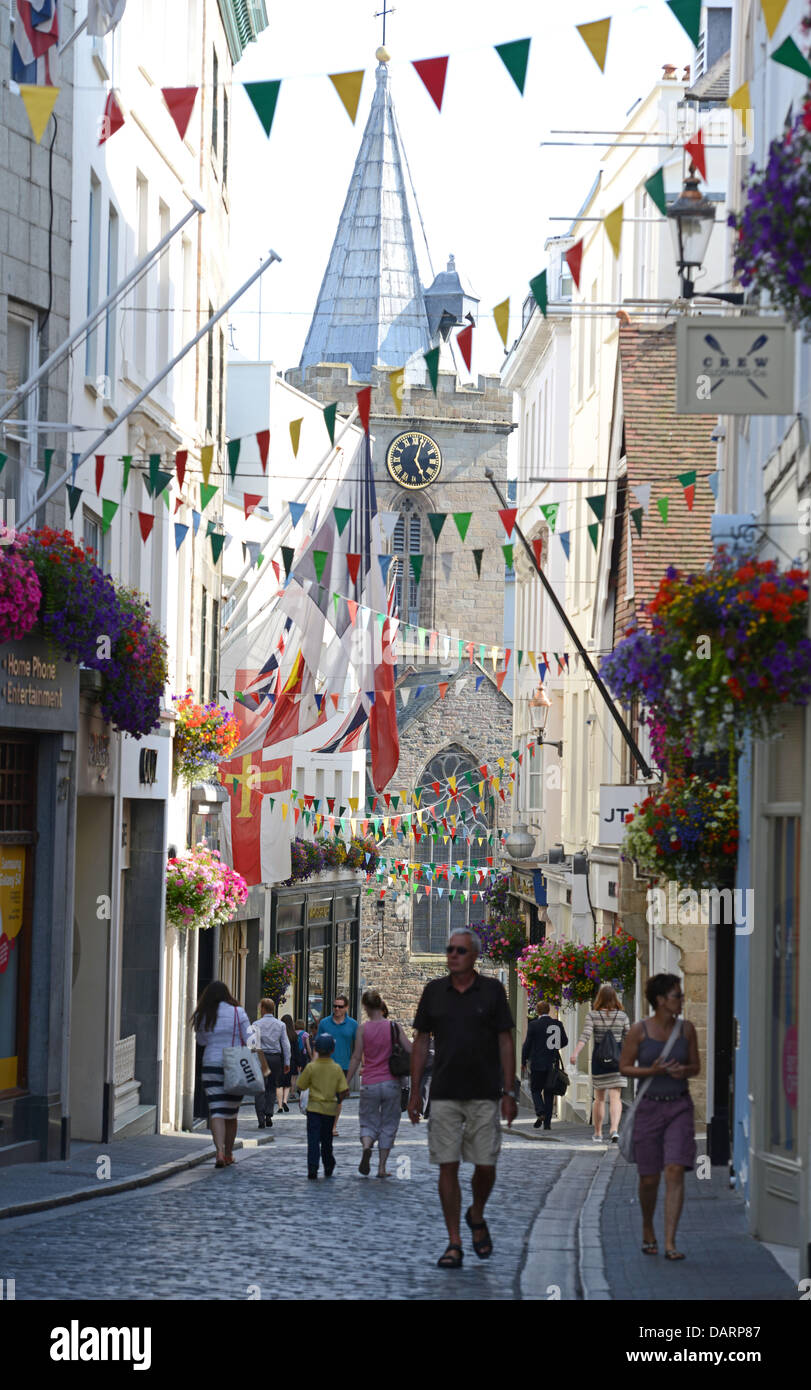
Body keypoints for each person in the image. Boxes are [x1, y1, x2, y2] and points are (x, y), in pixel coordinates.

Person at [409, 927, 517, 1269]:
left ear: (474, 957)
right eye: (449, 949)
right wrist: (414, 1093)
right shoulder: (434, 992)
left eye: (460, 950)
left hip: (485, 1092)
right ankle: (454, 1241)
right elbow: (421, 1042)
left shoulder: (493, 991)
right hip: (443, 1093)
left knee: (486, 1164)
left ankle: (477, 1212)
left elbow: (505, 1041)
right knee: (448, 1164)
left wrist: (509, 1090)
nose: (453, 954)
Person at [619, 973, 700, 1260]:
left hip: (679, 1106)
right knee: (649, 1179)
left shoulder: (687, 1029)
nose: (682, 1000)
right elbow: (625, 1067)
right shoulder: (639, 1031)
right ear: (661, 1000)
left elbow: (695, 1067)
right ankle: (647, 1228)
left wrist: (683, 1071)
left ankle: (669, 1242)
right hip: (648, 1108)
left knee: (675, 1170)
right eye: (677, 995)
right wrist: (652, 1071)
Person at [346, 987, 412, 1178]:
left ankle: (367, 1147)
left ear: (365, 1007)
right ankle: (382, 1168)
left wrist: (346, 1082)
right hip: (391, 1083)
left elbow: (357, 1057)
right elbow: (409, 1048)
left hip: (370, 1083)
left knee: (368, 1121)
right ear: (381, 1005)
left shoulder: (362, 1029)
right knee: (389, 1124)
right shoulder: (394, 1027)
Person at [192, 981, 254, 1166]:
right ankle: (228, 1153)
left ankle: (218, 1151)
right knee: (232, 1113)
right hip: (234, 1064)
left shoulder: (204, 1013)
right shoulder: (238, 1012)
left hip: (211, 1064)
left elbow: (201, 1041)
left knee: (217, 1110)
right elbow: (250, 1038)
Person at [569, 983, 630, 1143]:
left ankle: (597, 1133)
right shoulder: (622, 1016)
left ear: (600, 998)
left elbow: (585, 1036)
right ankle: (614, 1130)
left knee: (599, 1099)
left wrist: (575, 1053)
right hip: (618, 1062)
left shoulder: (593, 1015)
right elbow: (629, 1038)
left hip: (599, 1062)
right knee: (616, 1098)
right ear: (615, 998)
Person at [296, 1034, 349, 1179]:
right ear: (332, 1050)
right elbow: (343, 1090)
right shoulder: (337, 1068)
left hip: (313, 1109)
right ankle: (328, 1165)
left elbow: (300, 1085)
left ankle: (312, 1167)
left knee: (313, 1140)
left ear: (316, 1049)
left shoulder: (311, 1067)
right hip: (330, 1110)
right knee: (327, 1141)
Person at [521, 1001, 568, 1130]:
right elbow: (565, 1041)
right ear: (548, 1010)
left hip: (537, 1063)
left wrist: (523, 1061)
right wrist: (554, 1048)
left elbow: (527, 1045)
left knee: (535, 1090)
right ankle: (547, 1124)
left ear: (538, 1011)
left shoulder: (534, 1025)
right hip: (552, 1063)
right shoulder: (558, 1024)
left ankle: (540, 1112)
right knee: (549, 1092)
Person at [316, 994, 358, 1137]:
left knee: (337, 1099)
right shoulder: (324, 1023)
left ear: (346, 1008)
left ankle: (333, 1126)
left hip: (343, 1066)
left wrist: (363, 1065)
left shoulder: (353, 1024)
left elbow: (359, 1047)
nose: (337, 1009)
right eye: (335, 1006)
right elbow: (317, 1045)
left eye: (340, 1006)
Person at [252, 998, 291, 1126]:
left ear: (263, 1008)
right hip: (275, 1058)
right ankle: (269, 1113)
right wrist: (287, 1061)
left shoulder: (256, 1024)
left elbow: (252, 1045)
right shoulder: (281, 1025)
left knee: (259, 1087)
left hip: (261, 1057)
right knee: (271, 1087)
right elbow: (285, 1044)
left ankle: (260, 1117)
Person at [278, 1014, 299, 1108]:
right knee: (288, 1081)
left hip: (280, 1059)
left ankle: (279, 1103)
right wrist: (299, 1062)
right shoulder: (294, 1035)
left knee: (279, 1082)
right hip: (291, 1060)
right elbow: (296, 1050)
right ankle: (286, 1100)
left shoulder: (279, 1033)